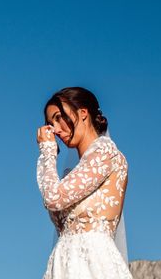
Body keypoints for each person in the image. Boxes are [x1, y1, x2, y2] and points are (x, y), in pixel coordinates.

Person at [36, 87, 132, 279]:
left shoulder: (106, 153)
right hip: (63, 263)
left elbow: (54, 198)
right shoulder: (71, 175)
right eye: (49, 123)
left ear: (83, 113)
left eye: (58, 117)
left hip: (93, 263)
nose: (54, 129)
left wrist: (47, 150)